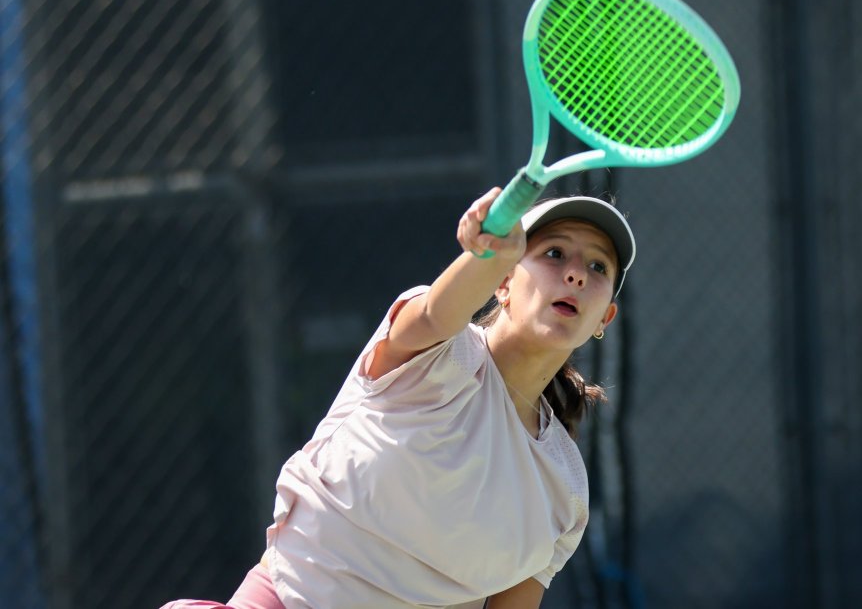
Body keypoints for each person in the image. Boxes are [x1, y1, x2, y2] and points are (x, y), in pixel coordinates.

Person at [160, 187, 637, 609]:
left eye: (597, 266)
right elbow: (434, 314)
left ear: (605, 318)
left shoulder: (564, 489)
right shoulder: (439, 355)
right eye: (554, 253)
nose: (576, 274)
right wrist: (485, 255)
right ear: (505, 282)